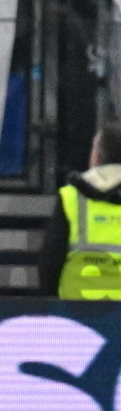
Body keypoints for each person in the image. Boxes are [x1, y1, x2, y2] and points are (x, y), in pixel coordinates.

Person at [41, 121, 121, 299]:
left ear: (97, 157)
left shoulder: (72, 197)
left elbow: (50, 262)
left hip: (77, 314)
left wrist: (51, 308)